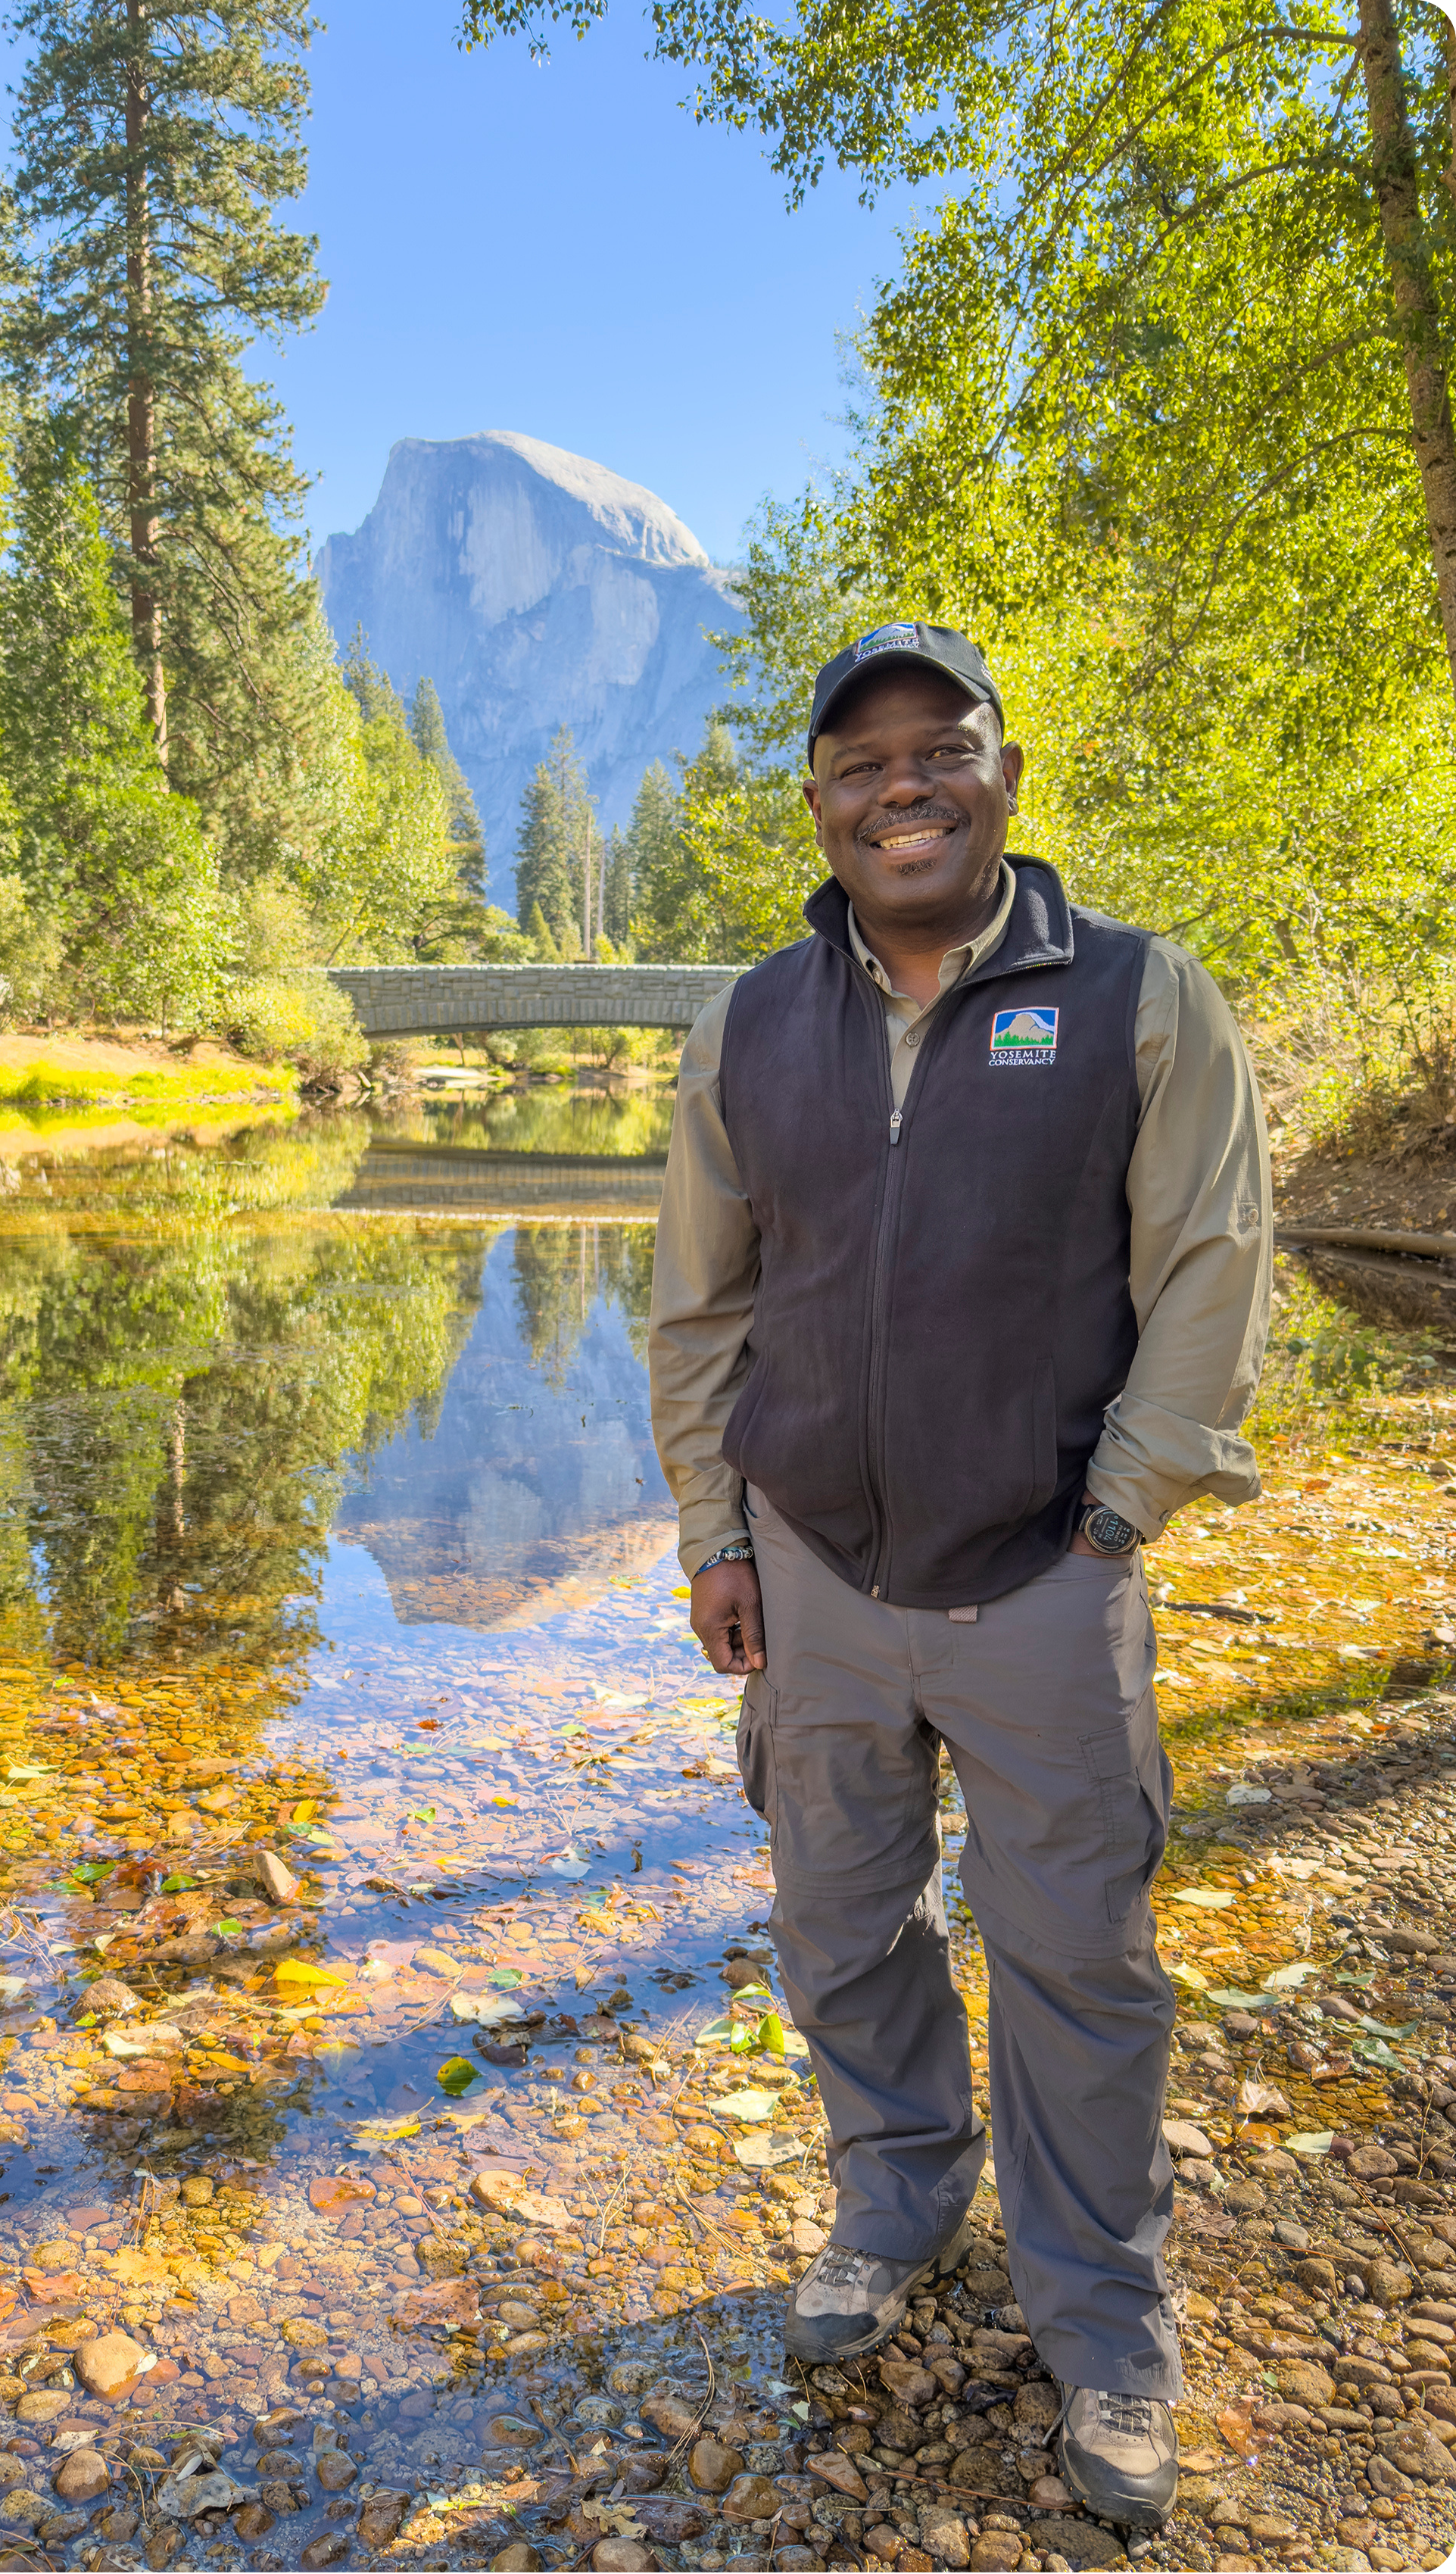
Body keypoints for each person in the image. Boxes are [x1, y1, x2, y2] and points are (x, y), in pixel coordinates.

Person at [647, 619, 1271, 2532]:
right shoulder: (753, 1020)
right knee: (841, 1929)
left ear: (1004, 772)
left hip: (1044, 1581)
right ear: (820, 805)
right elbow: (699, 1305)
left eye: (940, 748)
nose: (900, 784)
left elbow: (1210, 1271)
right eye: (861, 761)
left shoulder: (1143, 999)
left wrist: (1118, 1519)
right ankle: (893, 2206)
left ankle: (1104, 2328)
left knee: (1081, 1967)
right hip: (817, 1576)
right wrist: (716, 1533)